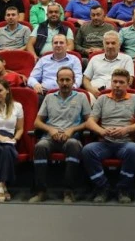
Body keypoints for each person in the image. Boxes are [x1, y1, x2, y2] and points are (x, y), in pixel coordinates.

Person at [83, 68, 135, 203]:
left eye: (121, 82)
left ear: (128, 84)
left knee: (133, 149)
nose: (117, 85)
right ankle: (103, 187)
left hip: (125, 143)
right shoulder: (102, 99)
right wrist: (101, 131)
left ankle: (123, 188)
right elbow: (90, 122)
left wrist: (126, 129)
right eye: (115, 82)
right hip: (104, 142)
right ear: (111, 82)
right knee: (87, 150)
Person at [30, 67, 91, 203]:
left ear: (73, 81)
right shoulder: (49, 97)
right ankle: (41, 191)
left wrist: (72, 130)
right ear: (57, 81)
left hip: (71, 138)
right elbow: (37, 122)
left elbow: (89, 122)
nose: (64, 83)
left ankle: (68, 191)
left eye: (68, 80)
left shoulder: (81, 97)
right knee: (40, 146)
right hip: (50, 137)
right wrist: (50, 130)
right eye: (61, 80)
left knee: (73, 145)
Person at [83, 31, 134, 97]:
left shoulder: (127, 59)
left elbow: (129, 80)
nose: (110, 46)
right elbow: (86, 79)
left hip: (117, 93)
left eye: (113, 43)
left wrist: (113, 90)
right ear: (103, 45)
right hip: (95, 93)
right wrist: (91, 90)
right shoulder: (94, 59)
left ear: (119, 45)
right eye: (107, 43)